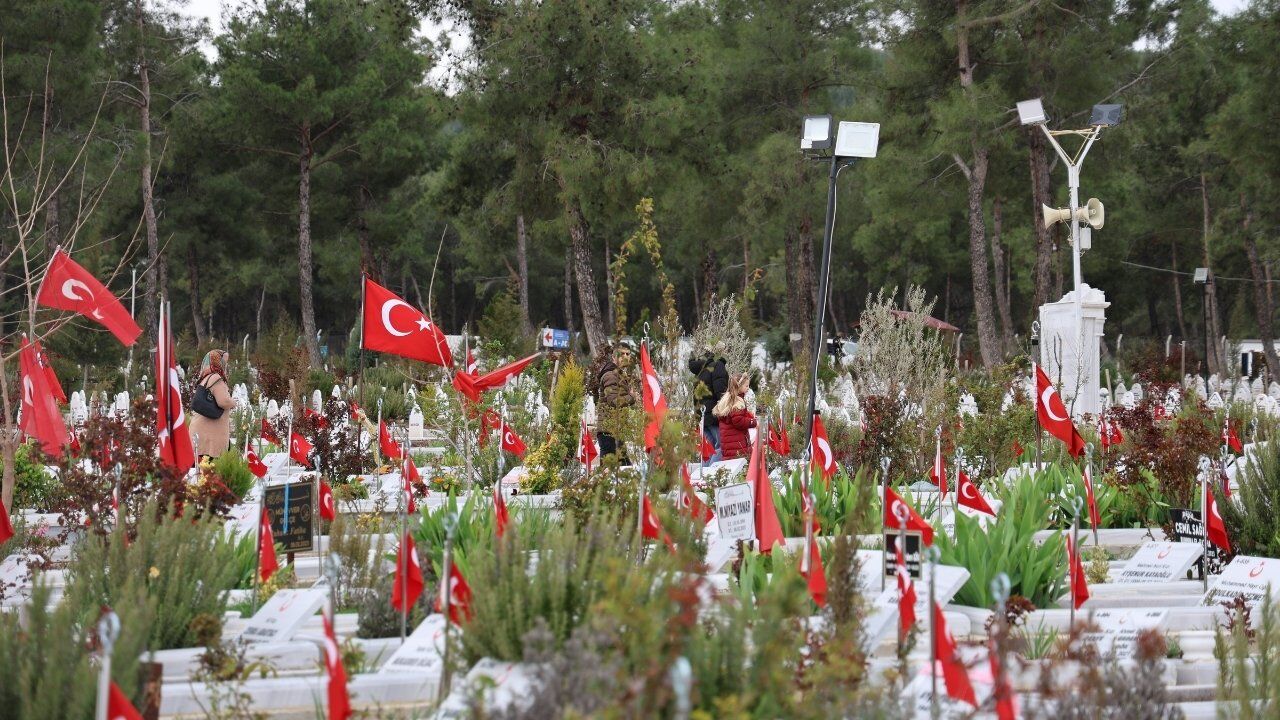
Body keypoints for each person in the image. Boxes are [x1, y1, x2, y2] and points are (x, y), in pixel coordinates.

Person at [189, 349, 237, 461]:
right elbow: (223, 401)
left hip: (202, 430)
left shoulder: (206, 377)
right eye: (223, 362)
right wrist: (233, 402)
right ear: (217, 362)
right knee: (212, 470)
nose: (225, 365)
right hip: (211, 434)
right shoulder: (216, 378)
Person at [593, 342, 637, 462]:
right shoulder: (610, 375)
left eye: (628, 354)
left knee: (621, 470)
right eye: (621, 354)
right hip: (608, 431)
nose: (625, 356)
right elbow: (613, 401)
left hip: (614, 429)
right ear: (613, 357)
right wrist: (631, 397)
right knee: (610, 473)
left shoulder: (619, 375)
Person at [687, 343, 729, 461]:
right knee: (720, 446)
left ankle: (704, 475)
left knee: (708, 449)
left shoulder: (700, 369)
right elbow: (721, 391)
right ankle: (712, 476)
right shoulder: (718, 365)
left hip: (701, 415)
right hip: (714, 414)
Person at [712, 373, 756, 461]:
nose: (748, 388)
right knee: (739, 466)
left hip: (730, 444)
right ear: (739, 386)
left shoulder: (728, 399)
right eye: (746, 386)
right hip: (737, 445)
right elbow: (738, 421)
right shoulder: (737, 402)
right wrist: (753, 422)